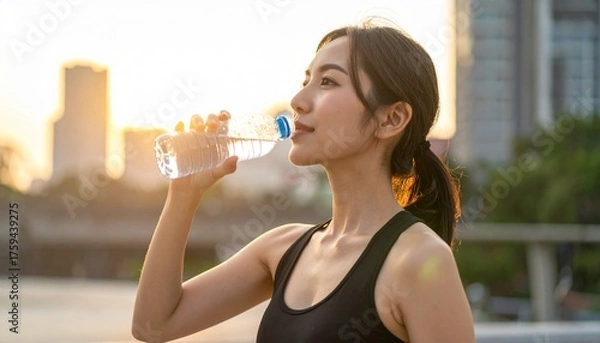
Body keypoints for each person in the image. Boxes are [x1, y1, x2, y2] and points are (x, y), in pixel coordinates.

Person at [133, 20, 475, 343]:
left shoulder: (419, 260)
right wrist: (184, 194)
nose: (297, 101)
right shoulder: (282, 248)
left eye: (328, 82)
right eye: (305, 81)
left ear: (391, 119)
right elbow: (153, 325)